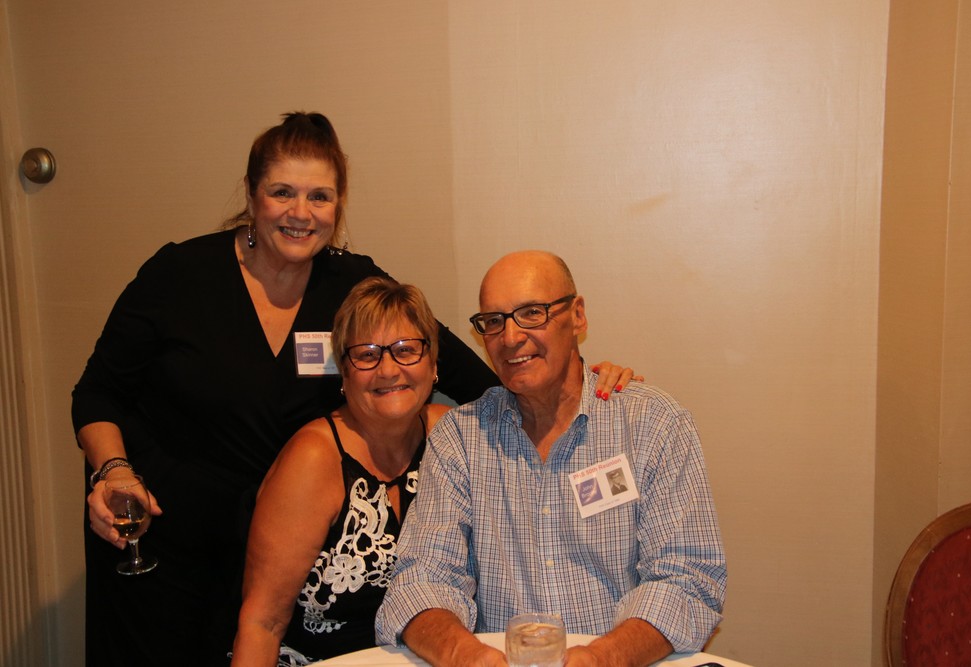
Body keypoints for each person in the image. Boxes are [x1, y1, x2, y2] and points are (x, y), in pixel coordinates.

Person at [72, 113, 635, 667]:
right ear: (251, 194)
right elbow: (98, 393)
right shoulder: (179, 276)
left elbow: (486, 377)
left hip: (294, 550)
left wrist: (580, 379)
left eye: (319, 196)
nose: (301, 213)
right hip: (166, 539)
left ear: (338, 205)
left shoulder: (351, 283)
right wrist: (114, 471)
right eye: (282, 192)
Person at [375, 250, 727, 667]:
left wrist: (602, 658)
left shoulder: (652, 425)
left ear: (577, 316)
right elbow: (420, 581)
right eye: (494, 321)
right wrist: (464, 656)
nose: (510, 337)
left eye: (532, 313)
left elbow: (688, 579)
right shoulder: (461, 439)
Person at [232, 277, 446, 666]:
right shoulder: (313, 458)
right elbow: (262, 623)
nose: (388, 369)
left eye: (405, 350)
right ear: (344, 374)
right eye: (366, 355)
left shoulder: (451, 435)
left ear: (432, 364)